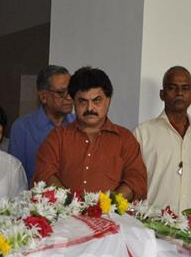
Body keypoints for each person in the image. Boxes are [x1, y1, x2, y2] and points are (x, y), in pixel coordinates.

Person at [33, 66, 147, 200]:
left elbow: (136, 180)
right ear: (74, 102)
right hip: (66, 216)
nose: (90, 108)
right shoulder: (58, 137)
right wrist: (70, 203)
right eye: (83, 101)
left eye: (97, 100)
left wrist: (108, 205)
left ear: (108, 101)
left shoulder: (124, 139)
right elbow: (44, 174)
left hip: (112, 217)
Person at [134, 66, 191, 213]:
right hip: (155, 226)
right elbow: (134, 182)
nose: (179, 93)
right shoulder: (143, 133)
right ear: (162, 94)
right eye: (172, 87)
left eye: (185, 88)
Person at [10, 67, 75, 181]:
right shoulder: (23, 127)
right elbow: (16, 177)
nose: (69, 98)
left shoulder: (78, 125)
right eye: (61, 93)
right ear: (43, 96)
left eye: (71, 91)